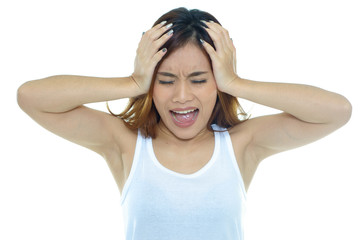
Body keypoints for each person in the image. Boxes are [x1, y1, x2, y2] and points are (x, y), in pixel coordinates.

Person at [17, 7, 352, 240]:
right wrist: (132, 82)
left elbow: (337, 110)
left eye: (198, 79)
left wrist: (236, 82)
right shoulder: (126, 144)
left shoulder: (241, 144)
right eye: (165, 81)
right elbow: (31, 97)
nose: (181, 96)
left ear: (216, 82)